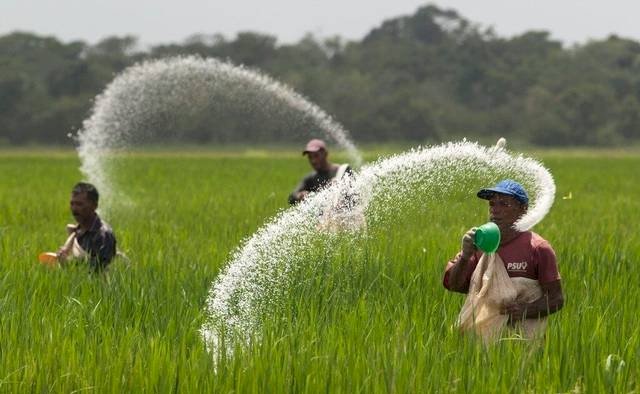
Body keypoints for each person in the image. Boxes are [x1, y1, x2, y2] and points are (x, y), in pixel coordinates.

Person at [443, 179, 564, 333]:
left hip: (524, 342)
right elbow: (455, 286)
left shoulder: (538, 248)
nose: (495, 210)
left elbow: (556, 299)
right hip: (482, 344)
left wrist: (525, 309)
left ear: (523, 210)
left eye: (504, 204)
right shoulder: (480, 243)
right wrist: (465, 256)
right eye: (492, 204)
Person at [57, 182, 117, 271]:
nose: (74, 209)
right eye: (72, 204)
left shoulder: (103, 234)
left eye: (79, 204)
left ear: (94, 206)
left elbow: (101, 268)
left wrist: (69, 263)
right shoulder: (76, 231)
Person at [288, 138, 351, 205]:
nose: (313, 161)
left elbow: (354, 196)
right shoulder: (311, 178)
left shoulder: (342, 171)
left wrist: (340, 187)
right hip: (325, 215)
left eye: (316, 156)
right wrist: (300, 196)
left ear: (325, 154)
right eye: (310, 157)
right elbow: (291, 197)